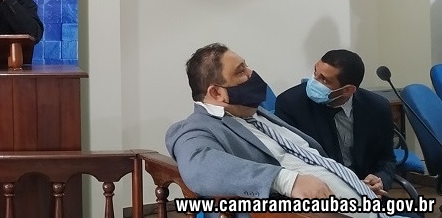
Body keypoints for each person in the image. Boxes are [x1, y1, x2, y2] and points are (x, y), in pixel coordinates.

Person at [166, 43, 393, 218]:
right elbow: (199, 167)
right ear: (217, 93)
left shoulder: (257, 115)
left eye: (246, 65)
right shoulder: (196, 128)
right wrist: (286, 180)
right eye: (241, 71)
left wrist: (354, 183)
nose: (251, 73)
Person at [275, 50, 396, 196]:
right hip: (321, 194)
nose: (314, 81)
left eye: (324, 80)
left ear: (347, 90)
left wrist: (379, 179)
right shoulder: (290, 104)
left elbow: (386, 158)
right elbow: (290, 162)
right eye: (315, 72)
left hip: (367, 194)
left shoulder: (377, 107)